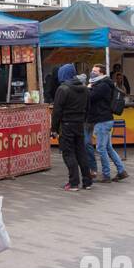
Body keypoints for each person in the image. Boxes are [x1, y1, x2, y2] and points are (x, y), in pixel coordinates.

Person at [51, 63, 93, 191]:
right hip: (79, 124)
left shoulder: (62, 89)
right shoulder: (85, 89)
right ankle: (87, 181)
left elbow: (57, 111)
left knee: (68, 153)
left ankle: (74, 182)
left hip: (67, 125)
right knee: (81, 152)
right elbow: (88, 108)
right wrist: (82, 120)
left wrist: (54, 129)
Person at [86, 64, 127, 183]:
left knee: (101, 148)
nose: (92, 73)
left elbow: (91, 97)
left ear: (102, 73)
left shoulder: (103, 85)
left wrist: (88, 88)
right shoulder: (101, 83)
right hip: (105, 119)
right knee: (108, 147)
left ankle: (106, 175)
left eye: (95, 71)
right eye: (92, 70)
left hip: (102, 120)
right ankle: (121, 170)